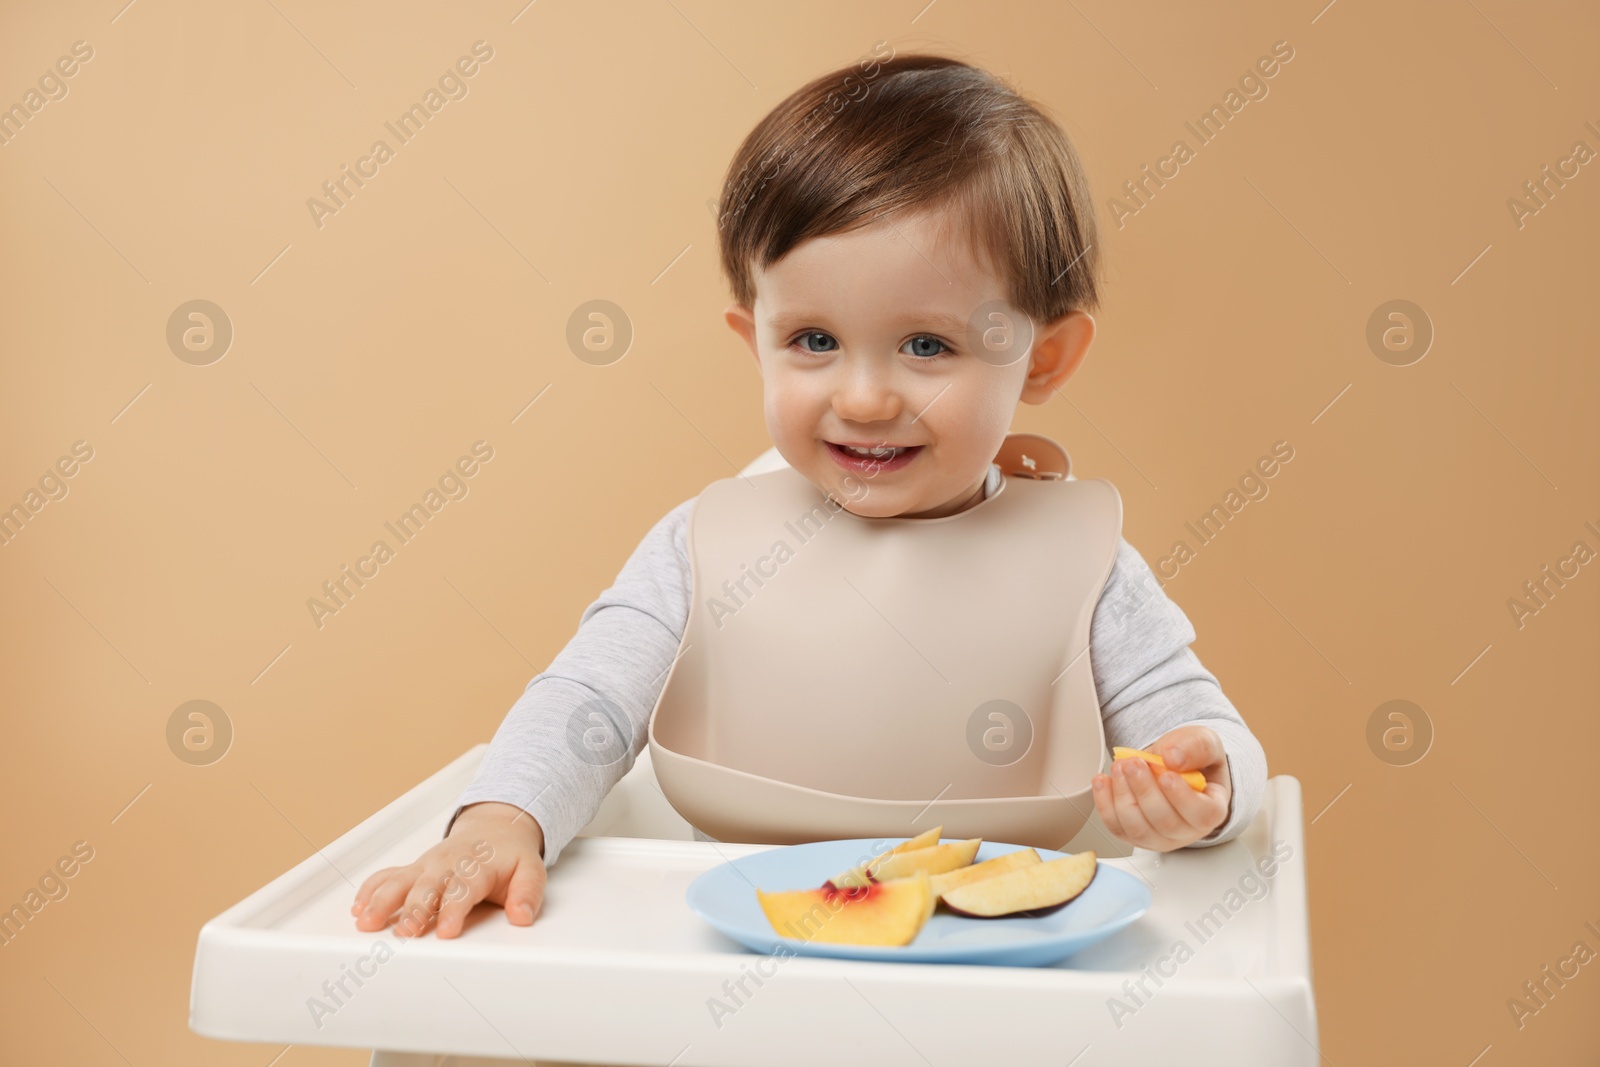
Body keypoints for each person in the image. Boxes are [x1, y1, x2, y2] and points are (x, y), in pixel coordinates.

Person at [351, 48, 1268, 941]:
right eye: (815, 341)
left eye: (927, 346)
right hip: (740, 968)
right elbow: (588, 700)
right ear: (755, 341)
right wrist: (502, 820)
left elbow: (1199, 731)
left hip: (996, 979)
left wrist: (1207, 787)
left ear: (1046, 357)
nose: (864, 398)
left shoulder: (1085, 568)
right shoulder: (706, 546)